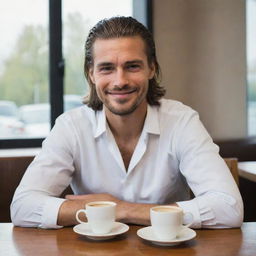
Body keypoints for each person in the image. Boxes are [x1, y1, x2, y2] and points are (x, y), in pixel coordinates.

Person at [11, 16, 243, 229]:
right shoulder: (70, 127)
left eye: (132, 66)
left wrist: (120, 209)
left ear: (152, 68)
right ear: (91, 74)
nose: (120, 81)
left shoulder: (182, 121)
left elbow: (229, 209)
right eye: (107, 68)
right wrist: (146, 213)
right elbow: (23, 207)